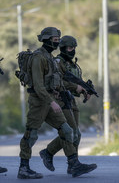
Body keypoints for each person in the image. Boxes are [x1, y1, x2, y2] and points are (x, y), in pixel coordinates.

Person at [17, 27, 96, 179]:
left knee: (68, 131)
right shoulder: (38, 58)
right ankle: (23, 168)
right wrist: (52, 102)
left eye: (58, 40)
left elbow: (57, 82)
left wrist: (76, 89)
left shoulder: (49, 58)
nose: (57, 43)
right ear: (46, 40)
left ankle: (74, 164)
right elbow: (39, 87)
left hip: (51, 100)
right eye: (55, 40)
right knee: (31, 135)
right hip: (39, 102)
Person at [39, 35, 97, 174]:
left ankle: (71, 164)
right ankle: (65, 160)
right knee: (72, 132)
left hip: (71, 100)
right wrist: (75, 87)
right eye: (70, 48)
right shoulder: (57, 62)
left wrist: (85, 90)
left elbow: (76, 81)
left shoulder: (72, 64)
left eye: (74, 48)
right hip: (60, 99)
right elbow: (57, 82)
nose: (72, 51)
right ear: (63, 48)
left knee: (76, 134)